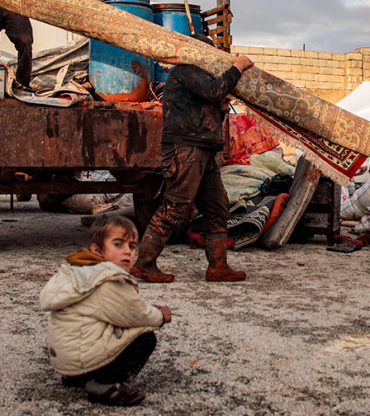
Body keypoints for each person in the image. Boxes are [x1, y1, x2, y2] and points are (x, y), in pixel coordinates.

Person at [131, 40, 254, 283]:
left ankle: (218, 267)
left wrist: (220, 109)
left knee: (217, 207)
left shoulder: (199, 79)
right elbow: (215, 90)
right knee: (175, 206)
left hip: (204, 150)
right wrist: (237, 67)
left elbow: (210, 110)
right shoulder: (186, 71)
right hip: (185, 149)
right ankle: (143, 264)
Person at [40, 214, 171, 407]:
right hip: (80, 358)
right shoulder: (107, 279)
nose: (127, 252)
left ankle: (77, 377)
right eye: (118, 245)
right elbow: (134, 313)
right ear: (97, 250)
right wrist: (160, 316)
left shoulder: (79, 270)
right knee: (144, 338)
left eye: (132, 246)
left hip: (65, 360)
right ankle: (104, 383)